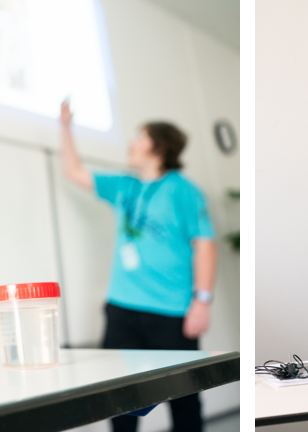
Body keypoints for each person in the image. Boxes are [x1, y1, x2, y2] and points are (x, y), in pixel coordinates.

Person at [58, 101, 217, 432]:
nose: (131, 143)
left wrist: (202, 301)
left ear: (158, 146)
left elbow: (204, 245)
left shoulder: (185, 191)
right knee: (120, 395)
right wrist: (65, 127)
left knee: (185, 395)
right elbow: (74, 171)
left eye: (139, 137)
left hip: (172, 311)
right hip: (122, 309)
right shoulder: (124, 185)